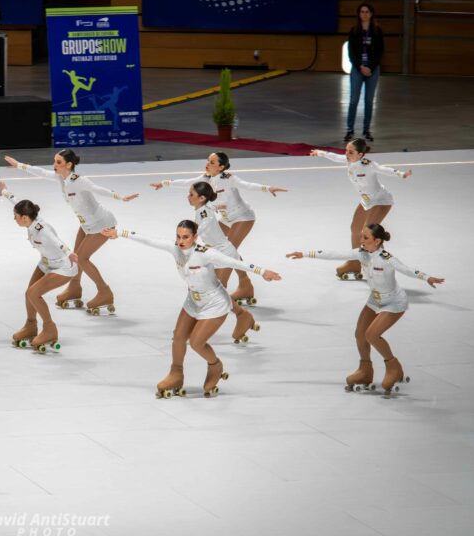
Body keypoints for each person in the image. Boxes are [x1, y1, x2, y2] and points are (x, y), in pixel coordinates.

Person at [102, 221, 281, 398]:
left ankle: (215, 366)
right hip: (193, 301)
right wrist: (119, 233)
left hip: (215, 304)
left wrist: (262, 271)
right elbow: (148, 240)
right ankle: (176, 374)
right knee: (178, 337)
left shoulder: (205, 253)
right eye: (178, 236)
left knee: (196, 343)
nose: (181, 241)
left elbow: (233, 262)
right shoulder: (175, 248)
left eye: (186, 237)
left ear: (195, 237)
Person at [287, 224, 443, 396]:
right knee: (360, 334)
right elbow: (334, 254)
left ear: (377, 241)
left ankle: (393, 367)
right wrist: (305, 254)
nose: (361, 241)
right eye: (361, 236)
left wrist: (427, 278)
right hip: (374, 300)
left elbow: (407, 269)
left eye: (365, 238)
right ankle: (365, 370)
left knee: (372, 335)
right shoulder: (361, 253)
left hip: (394, 302)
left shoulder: (386, 258)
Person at [4, 149, 138, 316]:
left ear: (69, 164)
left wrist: (121, 197)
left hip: (102, 223)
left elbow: (98, 189)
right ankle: (74, 287)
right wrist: (19, 165)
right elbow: (42, 172)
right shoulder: (61, 178)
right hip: (86, 225)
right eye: (54, 161)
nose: (54, 165)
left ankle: (105, 292)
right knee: (76, 257)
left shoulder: (79, 180)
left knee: (81, 258)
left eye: (58, 162)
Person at [150, 151, 287, 305]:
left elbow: (247, 185)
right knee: (229, 251)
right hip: (227, 219)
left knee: (228, 251)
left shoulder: (229, 179)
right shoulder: (205, 178)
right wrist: (164, 183)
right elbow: (186, 182)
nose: (207, 164)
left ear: (221, 167)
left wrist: (267, 188)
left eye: (212, 162)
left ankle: (222, 286)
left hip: (243, 217)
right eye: (208, 160)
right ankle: (245, 285)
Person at [310, 139, 411, 279]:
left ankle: (382, 265)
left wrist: (401, 174)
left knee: (368, 233)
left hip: (381, 201)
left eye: (350, 152)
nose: (346, 154)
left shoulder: (368, 165)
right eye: (346, 150)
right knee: (355, 229)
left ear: (361, 154)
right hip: (366, 201)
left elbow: (383, 169)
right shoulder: (349, 160)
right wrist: (319, 152)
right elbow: (334, 156)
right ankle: (355, 263)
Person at [0, 182, 78, 353]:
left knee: (33, 293)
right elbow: (15, 201)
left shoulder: (42, 229)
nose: (14, 218)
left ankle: (50, 329)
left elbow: (57, 241)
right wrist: (5, 192)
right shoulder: (30, 217)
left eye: (16, 216)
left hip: (63, 266)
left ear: (25, 218)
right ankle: (31, 325)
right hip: (46, 262)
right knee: (29, 293)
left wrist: (70, 252)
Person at [346, 2, 384, 142]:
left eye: (367, 11)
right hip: (358, 68)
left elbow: (380, 52)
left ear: (371, 14)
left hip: (372, 69)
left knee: (369, 100)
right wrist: (360, 67)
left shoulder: (377, 31)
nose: (364, 14)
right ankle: (350, 129)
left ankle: (366, 130)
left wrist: (371, 68)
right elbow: (351, 53)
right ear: (359, 14)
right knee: (354, 100)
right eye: (362, 12)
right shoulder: (354, 30)